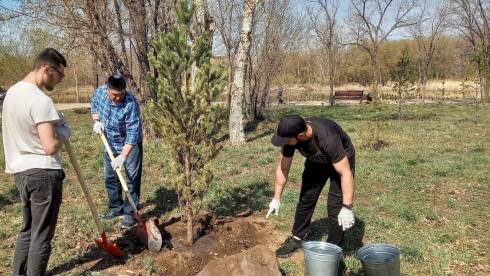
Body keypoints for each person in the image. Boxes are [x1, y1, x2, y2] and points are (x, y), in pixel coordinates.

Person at [2, 48, 70, 275]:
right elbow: (49, 146)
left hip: (21, 172)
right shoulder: (40, 100)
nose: (61, 80)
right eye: (60, 75)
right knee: (41, 236)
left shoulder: (11, 93)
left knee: (28, 230)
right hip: (43, 174)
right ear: (47, 69)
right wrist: (63, 133)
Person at [266, 115, 356, 258]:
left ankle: (333, 247)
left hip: (341, 160)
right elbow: (283, 168)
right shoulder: (292, 137)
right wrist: (276, 198)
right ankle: (297, 238)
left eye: (287, 140)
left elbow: (345, 173)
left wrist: (347, 207)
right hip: (317, 160)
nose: (286, 143)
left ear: (300, 136)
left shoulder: (328, 138)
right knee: (306, 197)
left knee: (335, 206)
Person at [91, 74, 143, 229]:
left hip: (129, 145)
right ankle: (115, 207)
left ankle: (129, 213)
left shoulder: (130, 103)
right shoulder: (100, 92)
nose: (118, 98)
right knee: (110, 177)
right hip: (109, 142)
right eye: (114, 94)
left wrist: (122, 157)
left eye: (121, 94)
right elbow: (94, 105)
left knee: (132, 179)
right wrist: (96, 121)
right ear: (107, 89)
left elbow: (133, 133)